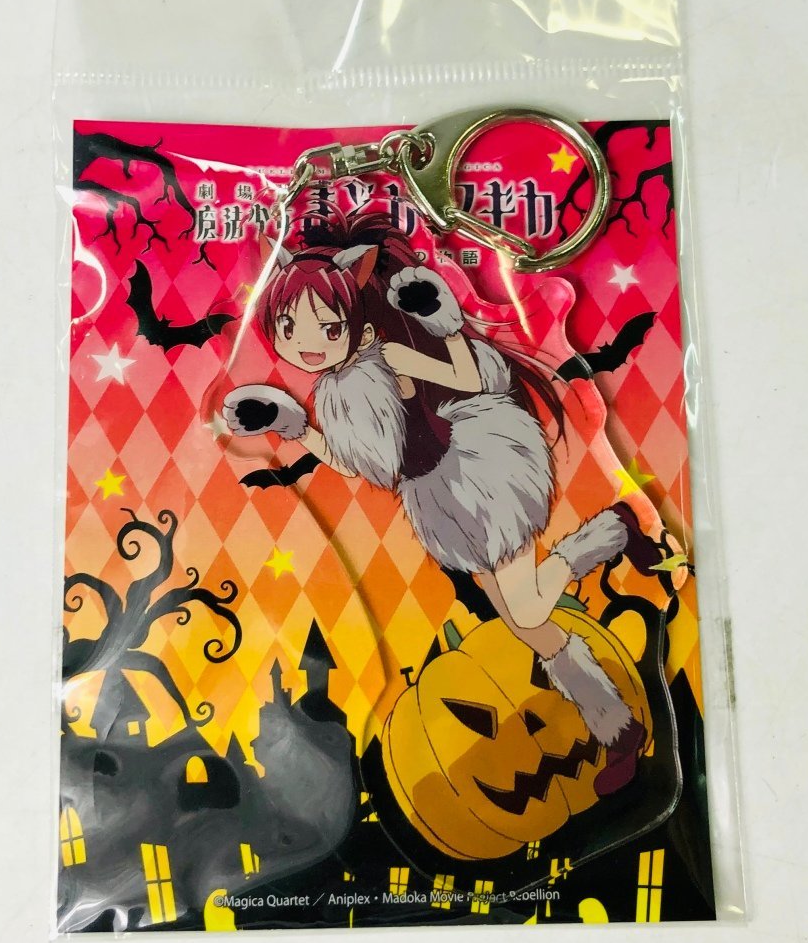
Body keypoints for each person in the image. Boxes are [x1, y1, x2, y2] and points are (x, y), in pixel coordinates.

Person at [222, 211, 657, 795]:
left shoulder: (389, 357)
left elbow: (468, 378)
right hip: (437, 502)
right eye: (288, 327)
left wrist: (444, 325)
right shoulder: (334, 393)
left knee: (528, 612)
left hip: (481, 474)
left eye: (326, 327)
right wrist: (292, 425)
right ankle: (616, 722)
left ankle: (614, 539)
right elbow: (355, 463)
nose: (307, 344)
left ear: (353, 320)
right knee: (525, 624)